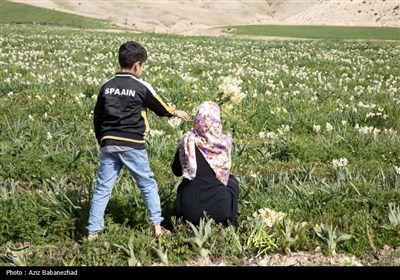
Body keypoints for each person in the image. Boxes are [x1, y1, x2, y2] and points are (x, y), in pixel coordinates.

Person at [87, 41, 189, 240]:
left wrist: (102, 139)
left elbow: (97, 117)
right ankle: (157, 227)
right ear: (137, 65)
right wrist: (176, 112)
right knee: (147, 184)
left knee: (103, 188)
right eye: (143, 66)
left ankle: (92, 232)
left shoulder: (106, 86)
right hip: (132, 143)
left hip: (108, 143)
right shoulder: (140, 86)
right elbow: (160, 107)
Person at [172, 101, 239, 226]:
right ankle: (230, 222)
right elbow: (224, 174)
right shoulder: (224, 143)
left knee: (186, 183)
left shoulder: (187, 141)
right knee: (232, 181)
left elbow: (176, 171)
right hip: (220, 211)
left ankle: (180, 220)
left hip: (188, 211)